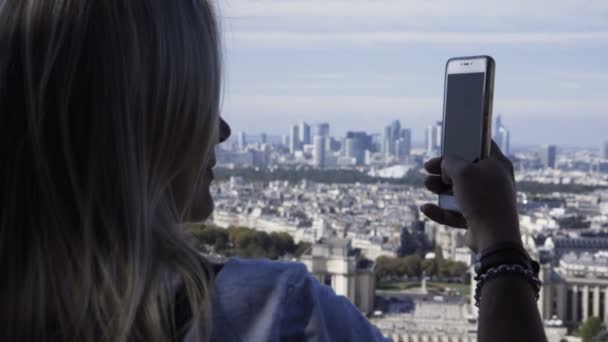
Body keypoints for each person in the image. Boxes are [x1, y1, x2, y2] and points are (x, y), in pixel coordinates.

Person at [0, 1, 546, 341]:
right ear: (139, 119)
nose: (221, 131)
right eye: (195, 100)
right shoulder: (271, 313)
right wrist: (500, 249)